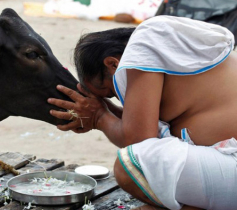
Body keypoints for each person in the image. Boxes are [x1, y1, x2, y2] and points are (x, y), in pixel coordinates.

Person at [47, 15, 237, 210]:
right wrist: (103, 110)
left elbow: (140, 142)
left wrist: (99, 118)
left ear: (113, 64)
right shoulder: (167, 58)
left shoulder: (145, 41)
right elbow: (145, 128)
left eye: (111, 93)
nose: (120, 99)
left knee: (128, 165)